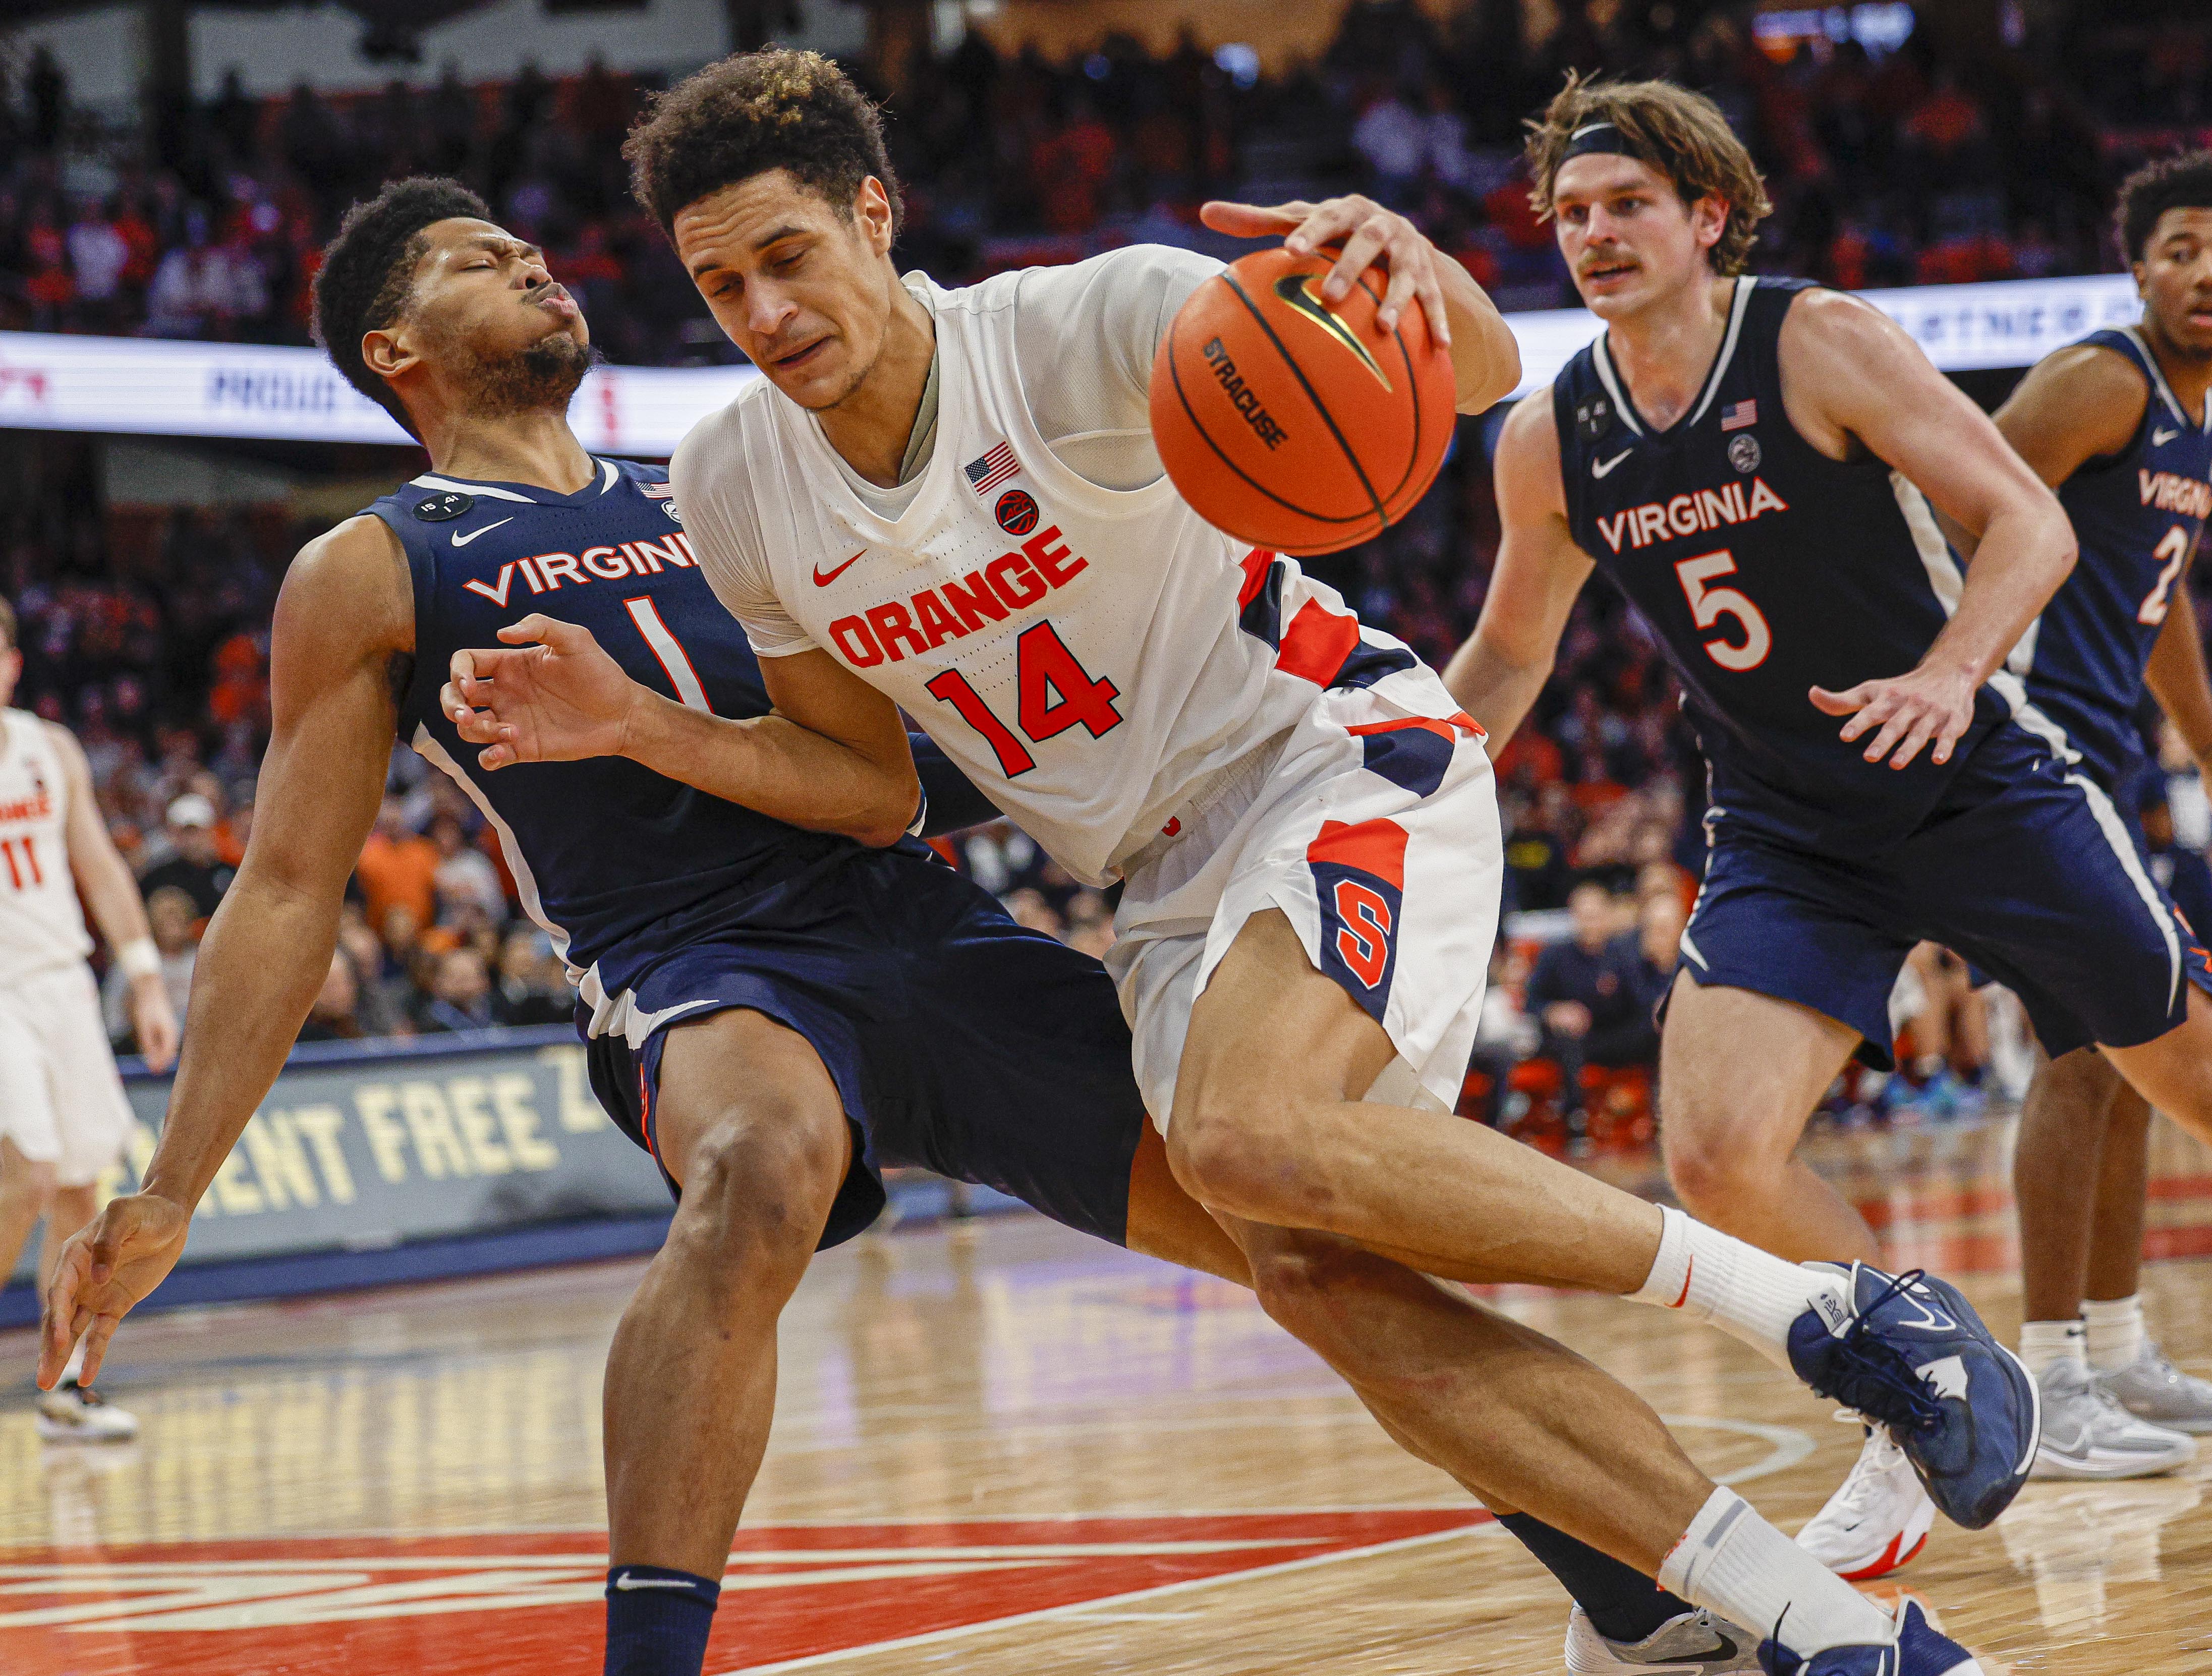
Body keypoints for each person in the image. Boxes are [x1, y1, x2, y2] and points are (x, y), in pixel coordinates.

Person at [18, 177, 1851, 1676]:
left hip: (915, 919)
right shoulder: (372, 562)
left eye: (524, 238)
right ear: (395, 348)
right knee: (755, 1165)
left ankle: (1637, 1585)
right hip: (689, 962)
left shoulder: (727, 490)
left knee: (1308, 1238)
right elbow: (280, 884)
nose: (527, 257)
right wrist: (179, 1176)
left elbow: (890, 781)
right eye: (472, 260)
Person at [456, 51, 2032, 1674]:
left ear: (875, 214)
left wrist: (1420, 280)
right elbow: (864, 788)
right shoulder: (731, 479)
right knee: (1313, 1275)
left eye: (789, 256)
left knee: (1245, 1133)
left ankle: (1830, 1313)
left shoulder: (1085, 324)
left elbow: (1472, 380)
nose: (763, 309)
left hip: (1326, 749)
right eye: (721, 284)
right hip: (1156, 880)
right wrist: (643, 726)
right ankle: (1819, 1629)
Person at [1440, 73, 2212, 1598]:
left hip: (1978, 777)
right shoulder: (1550, 436)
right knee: (1718, 1153)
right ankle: (1920, 1395)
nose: (1592, 234)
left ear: (1707, 216)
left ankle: (2032, 1362)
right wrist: (1403, 778)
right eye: (1570, 215)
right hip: (1788, 822)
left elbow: (2033, 525)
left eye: (1626, 207)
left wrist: (1948, 668)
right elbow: (1514, 654)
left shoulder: (1814, 339)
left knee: (2182, 1069)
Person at [1984, 150, 2212, 1489]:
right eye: (2180, 245)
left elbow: (2164, 588)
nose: (2203, 271)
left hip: (2102, 746)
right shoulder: (2104, 378)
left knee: (2134, 1041)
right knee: (2087, 1051)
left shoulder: (2192, 422)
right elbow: (1961, 495)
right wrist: (1956, 671)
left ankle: (2116, 1345)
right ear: (2139, 269)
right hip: (2023, 737)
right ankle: (2048, 1376)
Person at [0, 596, 180, 1441]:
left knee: (80, 1186)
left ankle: (64, 1385)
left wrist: (144, 979)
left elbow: (98, 863)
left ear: (11, 663)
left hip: (62, 982)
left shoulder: (49, 748)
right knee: (26, 1172)